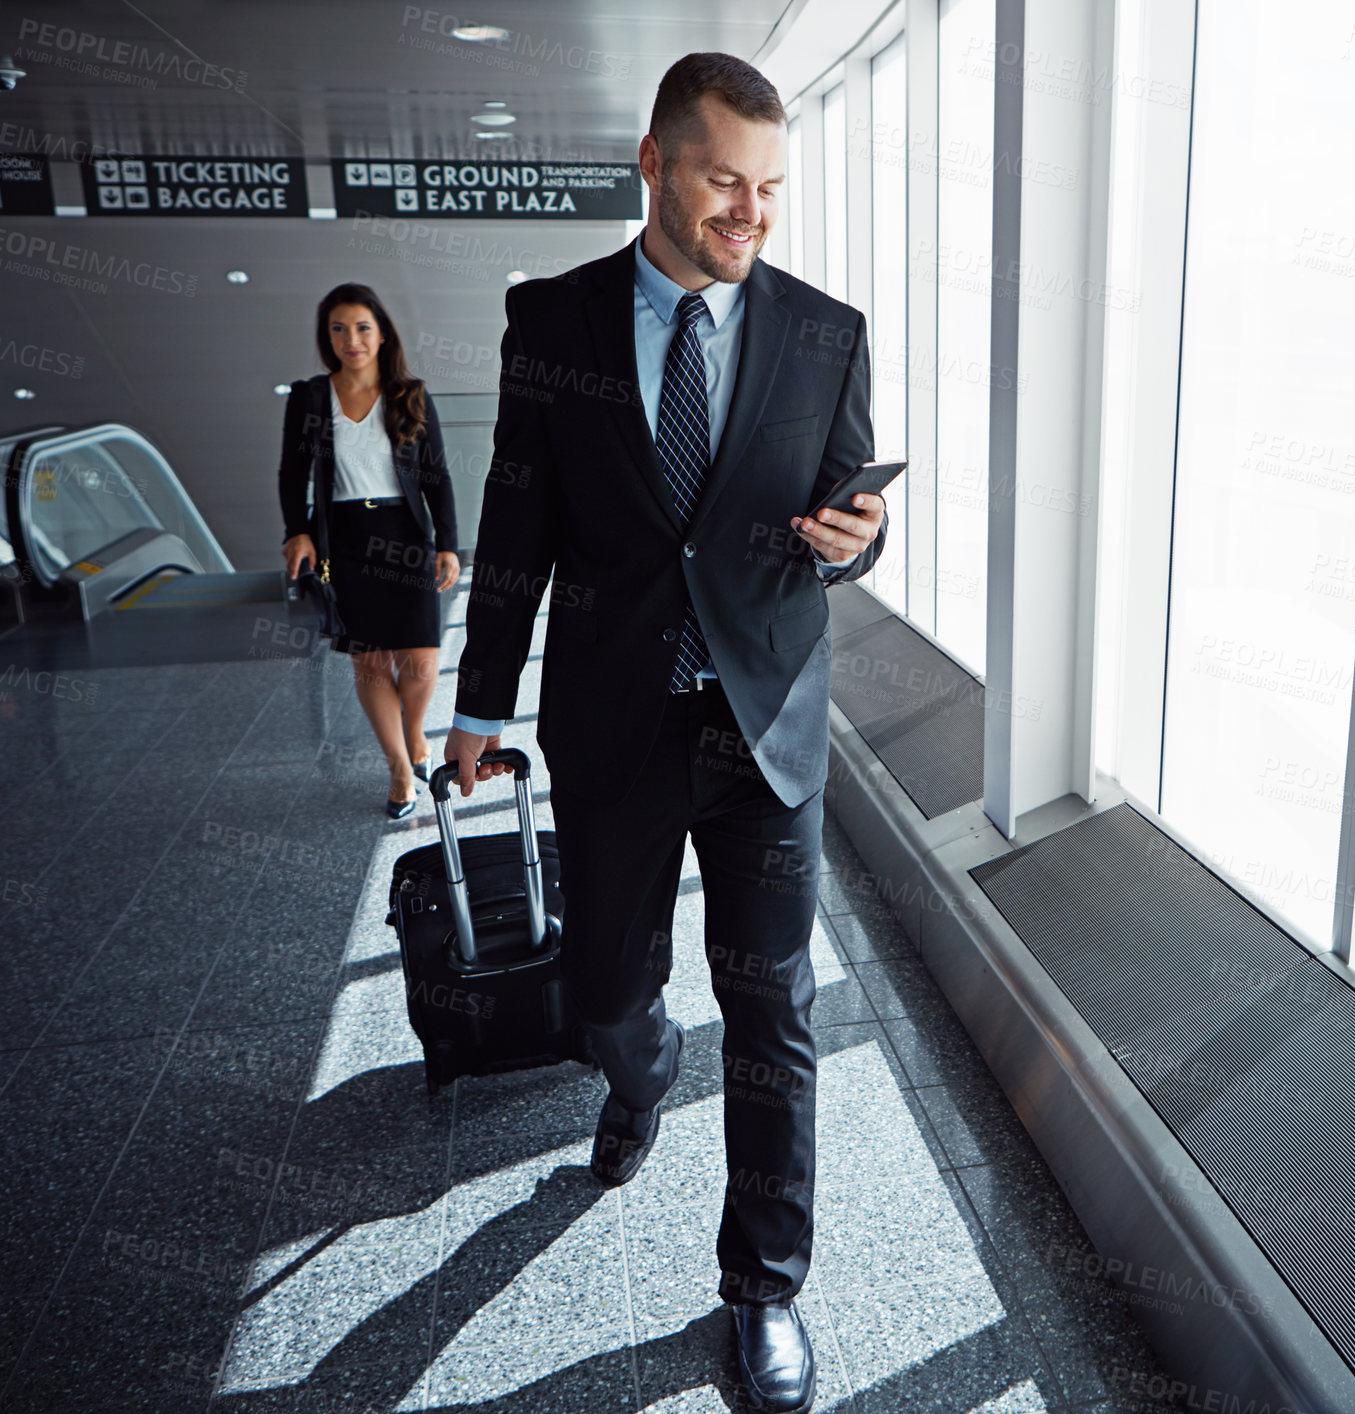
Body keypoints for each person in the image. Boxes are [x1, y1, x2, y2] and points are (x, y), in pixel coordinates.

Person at [446, 53, 887, 1414]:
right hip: (613, 716)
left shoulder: (826, 331)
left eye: (768, 188)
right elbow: (517, 525)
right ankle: (639, 1067)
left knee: (773, 1009)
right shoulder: (556, 323)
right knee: (604, 990)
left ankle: (761, 1291)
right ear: (651, 162)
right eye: (720, 180)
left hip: (760, 719)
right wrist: (478, 699)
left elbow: (849, 511)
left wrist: (858, 538)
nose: (748, 213)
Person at [278, 283, 460, 818]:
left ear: (382, 334)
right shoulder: (310, 397)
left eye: (361, 327)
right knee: (372, 662)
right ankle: (401, 770)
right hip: (346, 539)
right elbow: (292, 472)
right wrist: (298, 530)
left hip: (406, 536)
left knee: (423, 662)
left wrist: (447, 544)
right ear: (326, 337)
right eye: (338, 328)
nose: (350, 339)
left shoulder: (410, 394)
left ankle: (413, 734)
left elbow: (437, 476)